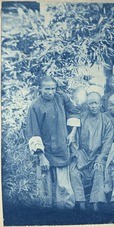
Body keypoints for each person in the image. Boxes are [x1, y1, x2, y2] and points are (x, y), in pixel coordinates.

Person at [26, 76, 80, 209]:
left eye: (53, 89)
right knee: (45, 187)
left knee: (64, 186)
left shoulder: (61, 98)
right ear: (40, 89)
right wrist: (41, 157)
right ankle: (47, 215)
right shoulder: (35, 106)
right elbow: (34, 133)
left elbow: (74, 111)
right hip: (45, 152)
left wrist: (72, 133)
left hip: (61, 148)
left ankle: (65, 214)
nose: (50, 92)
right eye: (47, 89)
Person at [70, 92, 114, 211]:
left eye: (96, 103)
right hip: (82, 156)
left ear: (100, 104)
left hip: (97, 156)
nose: (94, 106)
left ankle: (95, 204)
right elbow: (73, 139)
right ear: (87, 105)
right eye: (91, 103)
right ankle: (81, 203)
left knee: (99, 170)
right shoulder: (80, 118)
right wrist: (76, 156)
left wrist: (100, 158)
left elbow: (107, 143)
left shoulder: (106, 121)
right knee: (74, 173)